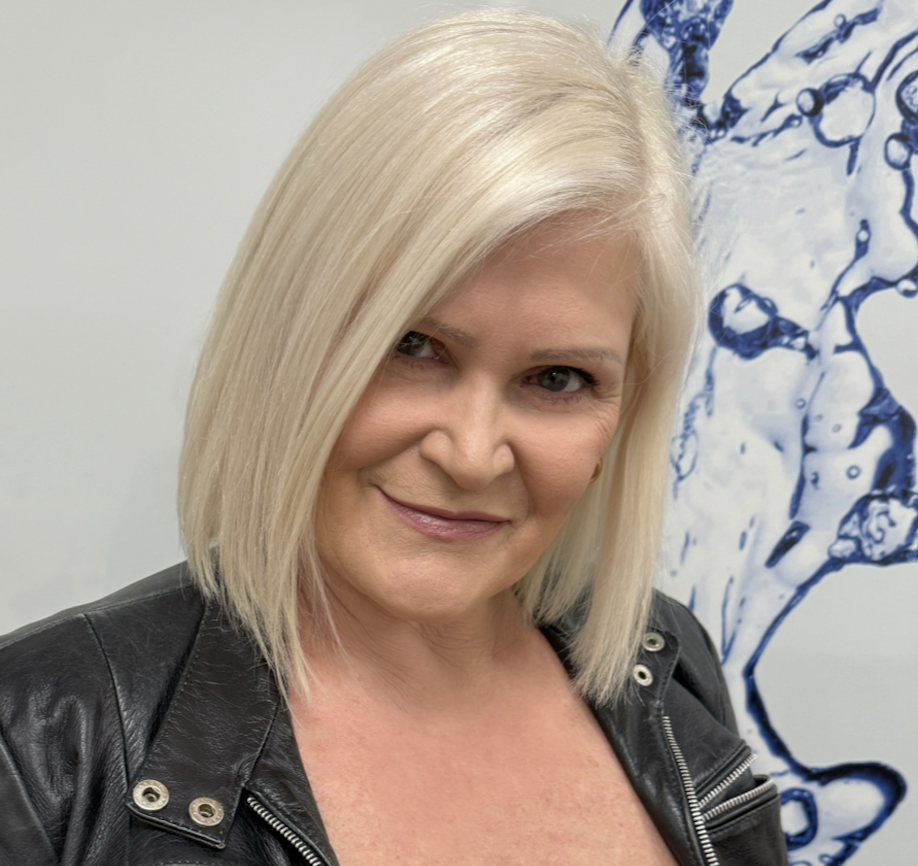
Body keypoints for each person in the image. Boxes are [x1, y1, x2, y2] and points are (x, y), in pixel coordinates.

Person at [0, 9, 786, 866]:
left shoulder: (664, 664)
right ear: (284, 342)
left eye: (558, 379)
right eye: (412, 347)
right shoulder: (38, 743)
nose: (472, 454)